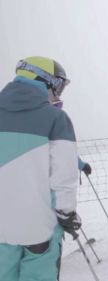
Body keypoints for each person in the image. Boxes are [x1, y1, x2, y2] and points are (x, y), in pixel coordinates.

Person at [0, 56, 81, 281]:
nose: (58, 93)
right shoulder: (56, 118)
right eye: (59, 85)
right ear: (46, 81)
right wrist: (66, 212)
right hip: (38, 227)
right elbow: (64, 175)